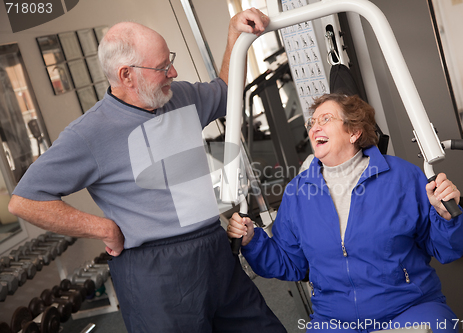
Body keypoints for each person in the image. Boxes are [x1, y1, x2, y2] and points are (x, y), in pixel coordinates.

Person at [8, 9, 287, 333]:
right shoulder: (89, 133)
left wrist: (232, 38)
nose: (174, 71)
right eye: (162, 67)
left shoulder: (178, 96)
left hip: (214, 251)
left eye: (170, 59)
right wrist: (102, 228)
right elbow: (24, 200)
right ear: (127, 75)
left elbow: (227, 95)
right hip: (157, 273)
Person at [227, 93, 463, 333]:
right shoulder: (297, 193)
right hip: (334, 318)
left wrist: (446, 218)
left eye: (325, 119)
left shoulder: (403, 177)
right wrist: (253, 240)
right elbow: (291, 263)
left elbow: (448, 250)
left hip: (406, 306)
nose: (314, 128)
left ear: (354, 132)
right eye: (312, 122)